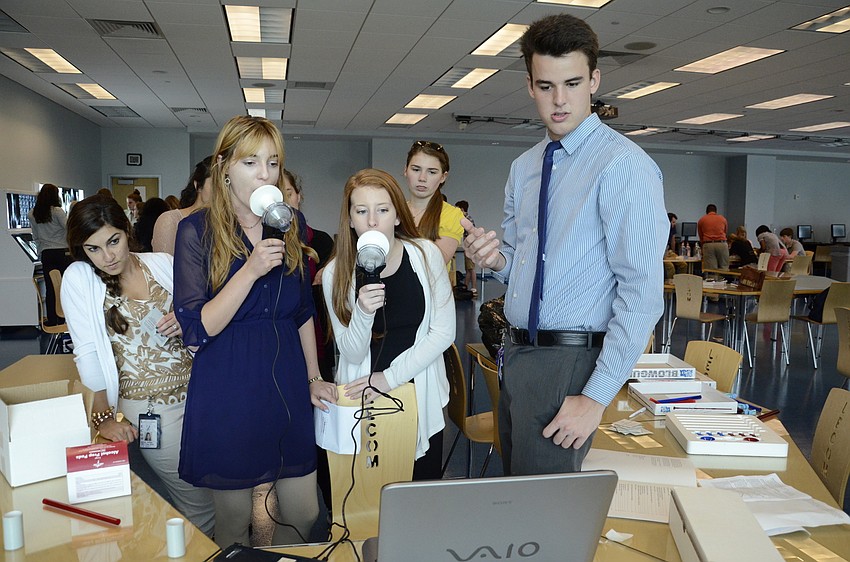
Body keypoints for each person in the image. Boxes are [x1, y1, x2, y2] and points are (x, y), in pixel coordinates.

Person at [461, 14, 667, 476]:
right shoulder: (524, 167)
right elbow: (522, 262)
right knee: (518, 495)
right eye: (546, 85)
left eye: (572, 83)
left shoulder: (622, 165)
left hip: (571, 364)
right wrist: (497, 260)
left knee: (543, 507)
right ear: (529, 86)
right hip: (516, 354)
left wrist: (596, 397)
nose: (559, 100)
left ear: (594, 81)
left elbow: (642, 292)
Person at [172, 115, 337, 548]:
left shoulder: (290, 222)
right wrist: (249, 270)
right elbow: (197, 328)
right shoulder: (195, 231)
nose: (265, 174)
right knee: (233, 519)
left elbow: (301, 310)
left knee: (304, 511)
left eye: (273, 163)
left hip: (285, 377)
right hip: (228, 382)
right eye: (251, 162)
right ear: (224, 167)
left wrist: (314, 376)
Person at [60, 195, 215, 536]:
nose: (108, 256)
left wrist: (187, 321)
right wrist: (102, 417)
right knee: (199, 502)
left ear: (127, 231)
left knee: (222, 491)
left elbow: (207, 316)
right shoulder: (80, 278)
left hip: (203, 395)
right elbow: (87, 353)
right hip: (151, 409)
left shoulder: (161, 263)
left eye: (113, 241)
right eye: (93, 248)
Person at [322, 168, 455, 480]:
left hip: (418, 390)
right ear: (350, 219)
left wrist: (389, 378)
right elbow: (352, 352)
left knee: (419, 490)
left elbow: (443, 331)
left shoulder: (426, 255)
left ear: (397, 215)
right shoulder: (335, 274)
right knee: (369, 493)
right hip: (364, 397)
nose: (372, 221)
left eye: (382, 210)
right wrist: (362, 312)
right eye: (361, 211)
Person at [402, 140, 465, 283]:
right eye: (416, 169)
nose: (422, 178)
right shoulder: (394, 210)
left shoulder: (452, 215)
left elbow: (435, 264)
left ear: (443, 177)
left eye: (431, 172)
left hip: (430, 294)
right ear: (405, 170)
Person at [28, 183, 72, 325]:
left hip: (46, 253)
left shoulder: (33, 213)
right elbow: (69, 228)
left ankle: (52, 319)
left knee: (51, 286)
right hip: (62, 252)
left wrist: (41, 250)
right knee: (64, 286)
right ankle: (64, 317)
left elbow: (35, 236)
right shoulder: (57, 211)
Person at [152, 157, 213, 254]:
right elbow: (165, 262)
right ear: (198, 185)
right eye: (215, 184)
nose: (222, 192)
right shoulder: (171, 220)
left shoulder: (228, 224)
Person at [454, 200, 478, 296]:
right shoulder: (467, 218)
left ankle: (474, 288)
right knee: (468, 269)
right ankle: (466, 287)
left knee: (471, 269)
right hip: (468, 246)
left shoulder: (466, 220)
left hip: (470, 246)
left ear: (462, 209)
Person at [698, 204, 729, 276]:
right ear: (716, 211)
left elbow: (701, 236)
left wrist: (702, 248)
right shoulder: (723, 219)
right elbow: (725, 232)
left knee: (711, 270)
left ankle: (712, 281)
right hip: (722, 244)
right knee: (724, 268)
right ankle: (723, 281)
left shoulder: (702, 220)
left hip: (708, 244)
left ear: (706, 211)